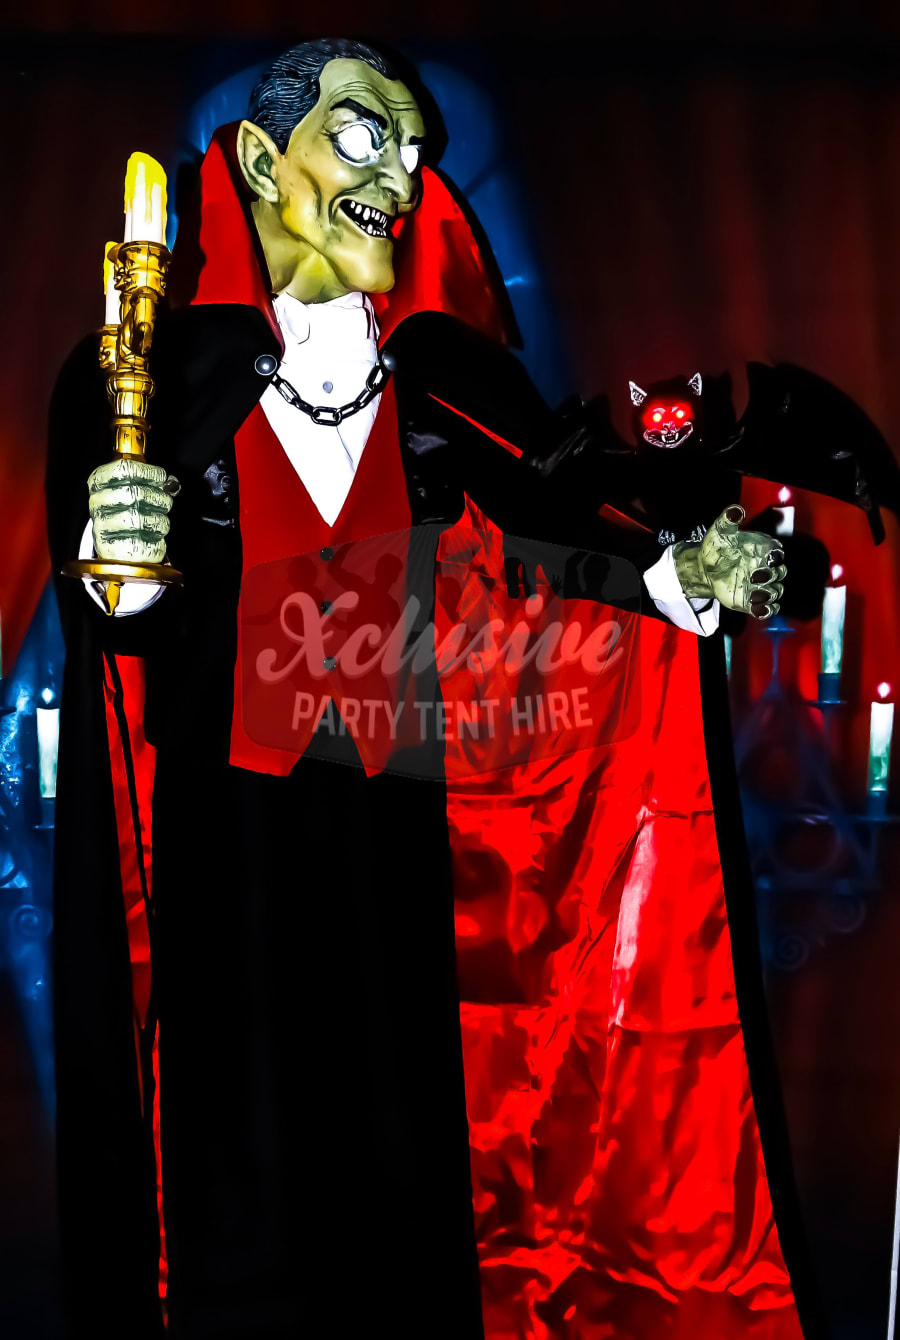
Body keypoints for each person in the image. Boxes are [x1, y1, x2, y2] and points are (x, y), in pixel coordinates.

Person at [46, 39, 811, 1340]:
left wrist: (677, 573)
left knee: (402, 1147)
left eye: (411, 149)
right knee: (239, 1145)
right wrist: (119, 577)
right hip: (225, 836)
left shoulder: (444, 382)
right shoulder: (155, 379)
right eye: (362, 136)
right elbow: (116, 613)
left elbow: (549, 538)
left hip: (393, 827)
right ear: (260, 162)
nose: (398, 177)